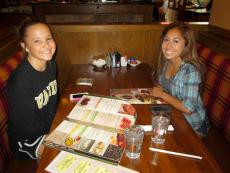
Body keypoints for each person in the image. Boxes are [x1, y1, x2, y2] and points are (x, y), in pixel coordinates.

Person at [7, 18, 58, 159]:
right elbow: (27, 128)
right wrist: (56, 134)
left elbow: (51, 105)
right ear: (25, 46)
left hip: (46, 128)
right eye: (37, 41)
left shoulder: (51, 65)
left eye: (49, 38)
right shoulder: (21, 83)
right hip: (26, 141)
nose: (46, 45)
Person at [151, 22, 209, 137]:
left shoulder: (190, 71)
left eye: (176, 41)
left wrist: (162, 94)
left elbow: (188, 108)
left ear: (186, 45)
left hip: (192, 125)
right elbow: (161, 84)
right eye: (166, 40)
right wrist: (160, 90)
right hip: (173, 114)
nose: (168, 46)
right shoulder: (167, 62)